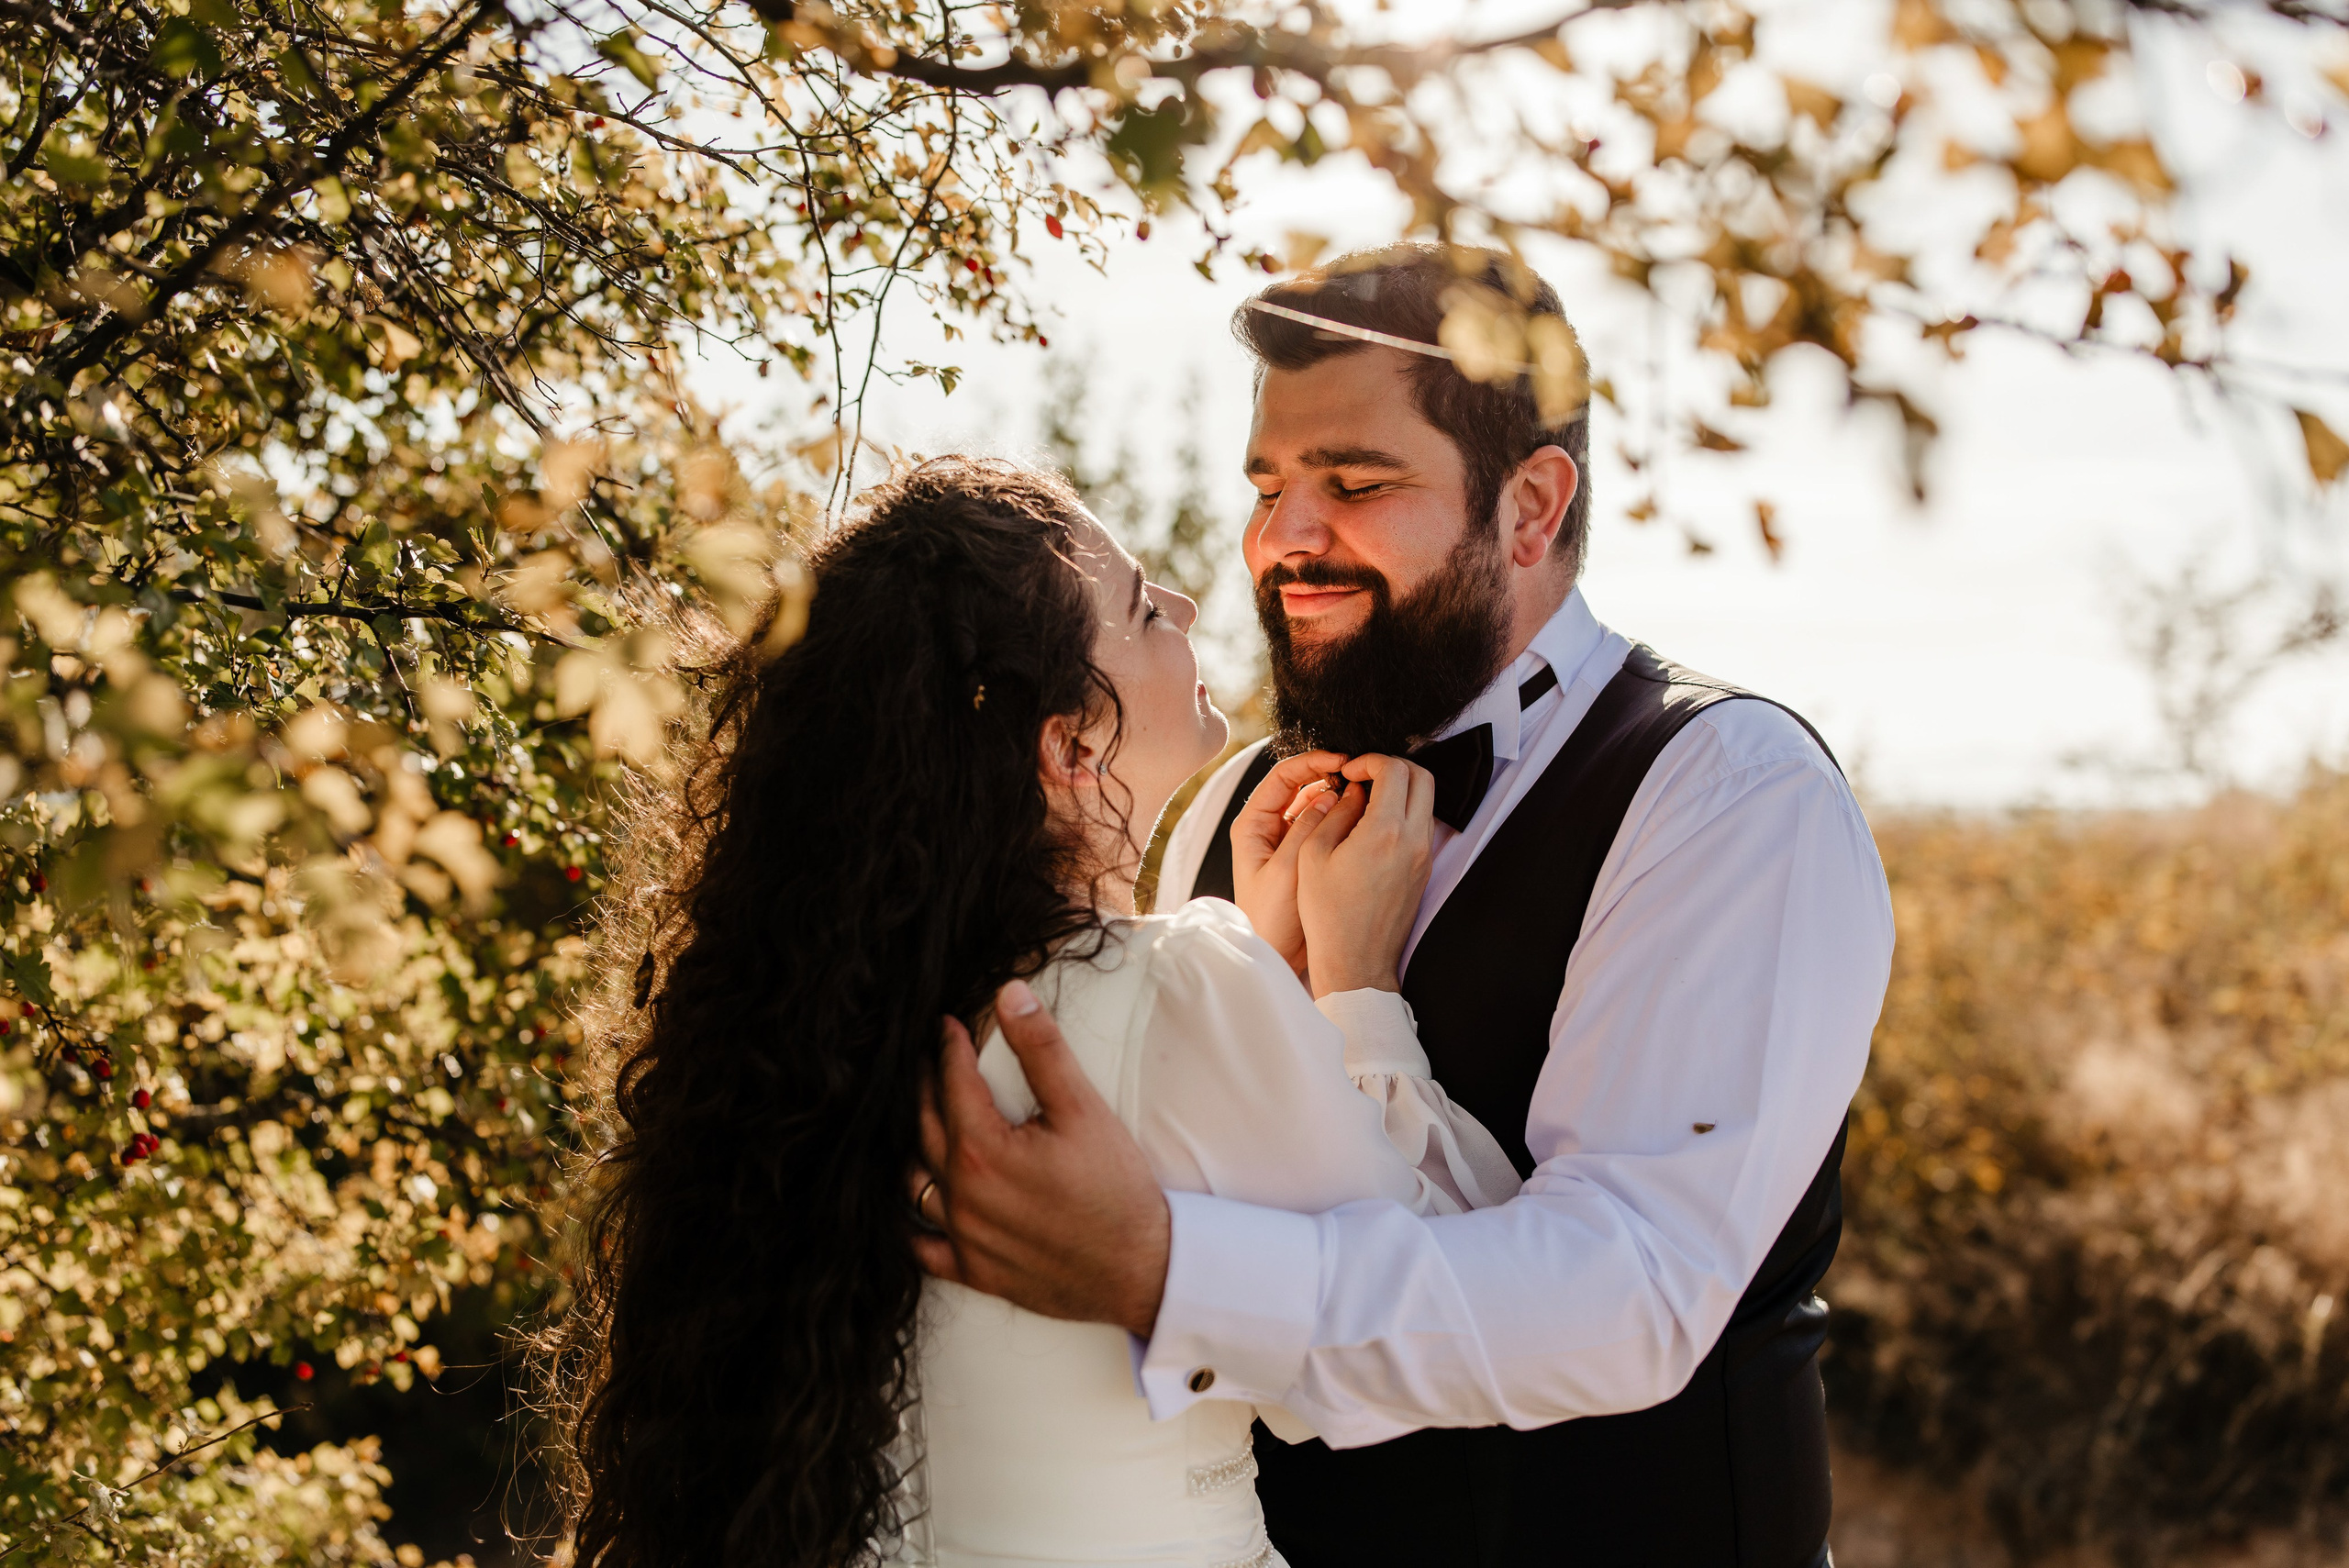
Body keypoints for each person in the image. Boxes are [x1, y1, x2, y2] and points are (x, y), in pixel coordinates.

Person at [912, 246, 1899, 1567]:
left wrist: (1166, 1267)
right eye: (1269, 486)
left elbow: (1629, 1294)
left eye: (1357, 483)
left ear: (1530, 508)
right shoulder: (1227, 807)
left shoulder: (1727, 793)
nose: (1284, 538)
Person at [542, 456, 1516, 1568]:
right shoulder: (1183, 990)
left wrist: (1265, 961)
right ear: (1069, 746)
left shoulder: (828, 1025)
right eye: (1142, 608)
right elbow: (1476, 1307)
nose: (1188, 606)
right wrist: (1353, 981)